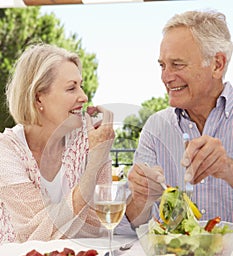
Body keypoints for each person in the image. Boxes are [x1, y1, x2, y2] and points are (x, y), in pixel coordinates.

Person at [125, 10, 233, 229]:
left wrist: (227, 170)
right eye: (162, 65)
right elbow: (134, 224)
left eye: (177, 64)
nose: (165, 77)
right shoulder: (156, 127)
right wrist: (140, 198)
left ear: (217, 64)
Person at [0, 43, 115, 243]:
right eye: (71, 88)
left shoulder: (89, 141)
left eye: (81, 86)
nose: (84, 96)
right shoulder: (6, 151)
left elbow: (98, 224)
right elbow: (35, 234)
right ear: (38, 98)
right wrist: (95, 162)